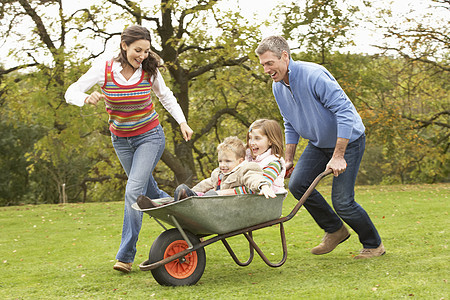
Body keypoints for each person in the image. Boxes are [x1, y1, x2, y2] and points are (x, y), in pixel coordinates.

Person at [65, 25, 193, 273]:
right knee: (148, 190)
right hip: (121, 140)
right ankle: (183, 210)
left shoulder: (149, 70)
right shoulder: (104, 69)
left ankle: (125, 256)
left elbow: (165, 96)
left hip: (150, 136)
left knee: (133, 190)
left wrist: (182, 121)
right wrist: (85, 98)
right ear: (124, 46)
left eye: (146, 51)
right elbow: (71, 91)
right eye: (138, 50)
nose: (142, 56)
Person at [255, 36, 384, 259]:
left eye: (269, 63)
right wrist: (288, 158)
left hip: (348, 141)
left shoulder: (314, 76)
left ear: (284, 56)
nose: (266, 69)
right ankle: (335, 230)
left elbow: (344, 113)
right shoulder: (278, 87)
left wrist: (338, 156)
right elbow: (290, 122)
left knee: (343, 202)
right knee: (298, 185)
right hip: (318, 144)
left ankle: (373, 245)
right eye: (263, 65)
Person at [137, 136, 275, 209]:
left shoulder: (245, 169)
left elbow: (253, 178)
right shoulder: (218, 173)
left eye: (228, 161)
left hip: (227, 207)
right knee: (183, 190)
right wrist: (191, 191)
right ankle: (161, 205)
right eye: (220, 161)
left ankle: (170, 204)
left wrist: (263, 185)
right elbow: (205, 183)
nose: (223, 165)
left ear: (239, 161)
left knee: (202, 195)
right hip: (210, 203)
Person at [246, 119, 287, 194]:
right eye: (250, 138)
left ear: (270, 141)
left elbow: (259, 184)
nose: (251, 143)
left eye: (257, 138)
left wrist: (228, 192)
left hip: (267, 202)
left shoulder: (274, 162)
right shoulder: (249, 159)